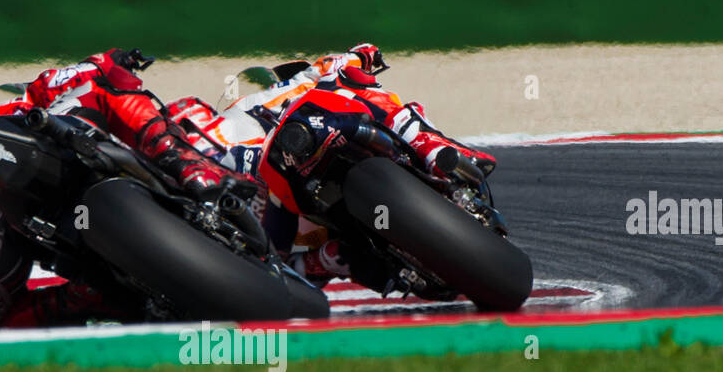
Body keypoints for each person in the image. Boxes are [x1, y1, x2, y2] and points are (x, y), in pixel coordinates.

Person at [0, 49, 253, 328]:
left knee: (9, 321)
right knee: (102, 80)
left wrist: (69, 303)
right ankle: (188, 164)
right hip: (2, 196)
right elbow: (34, 96)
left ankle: (94, 297)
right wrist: (106, 62)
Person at [165, 43, 497, 284]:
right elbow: (344, 61)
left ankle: (433, 152)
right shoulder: (277, 93)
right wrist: (364, 54)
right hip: (282, 185)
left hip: (286, 184)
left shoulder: (275, 97)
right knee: (362, 86)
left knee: (367, 90)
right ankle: (435, 150)